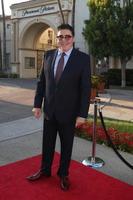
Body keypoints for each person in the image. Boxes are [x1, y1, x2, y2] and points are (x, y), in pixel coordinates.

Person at [27, 24, 91, 191]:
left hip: (69, 113)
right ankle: (45, 170)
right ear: (57, 38)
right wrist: (37, 104)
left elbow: (85, 89)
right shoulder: (48, 55)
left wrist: (82, 114)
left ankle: (63, 174)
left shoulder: (82, 59)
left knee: (66, 145)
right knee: (47, 143)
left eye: (67, 36)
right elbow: (42, 82)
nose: (63, 39)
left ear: (73, 38)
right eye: (60, 36)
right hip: (49, 110)